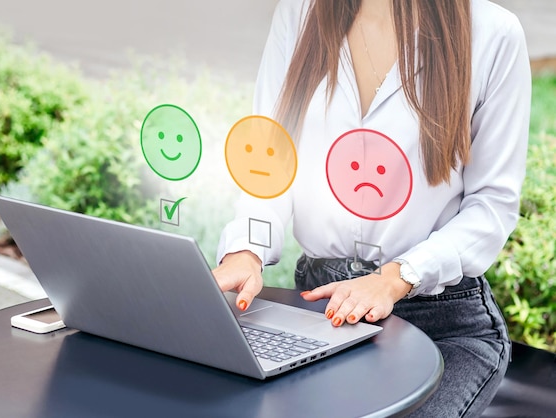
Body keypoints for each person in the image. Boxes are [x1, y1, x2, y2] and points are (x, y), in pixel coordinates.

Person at [213, 0, 531, 416]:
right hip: (321, 313)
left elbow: (493, 207)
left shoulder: (493, 33)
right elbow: (270, 163)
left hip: (442, 325)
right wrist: (246, 249)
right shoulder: (299, 13)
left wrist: (395, 278)